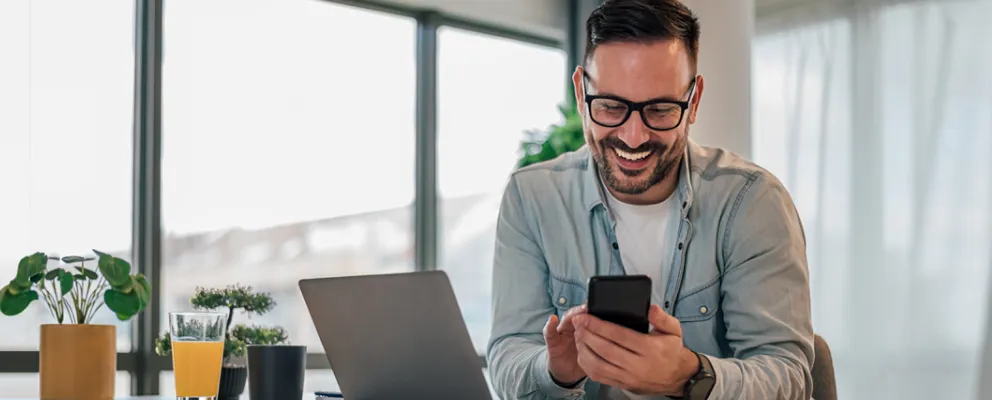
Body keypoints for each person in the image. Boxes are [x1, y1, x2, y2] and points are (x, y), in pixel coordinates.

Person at [486, 0, 814, 399]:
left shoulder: (752, 202)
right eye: (610, 106)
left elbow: (789, 377)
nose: (633, 137)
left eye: (660, 110)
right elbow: (507, 355)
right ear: (580, 92)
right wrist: (556, 371)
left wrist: (688, 375)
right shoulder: (532, 198)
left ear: (693, 101)